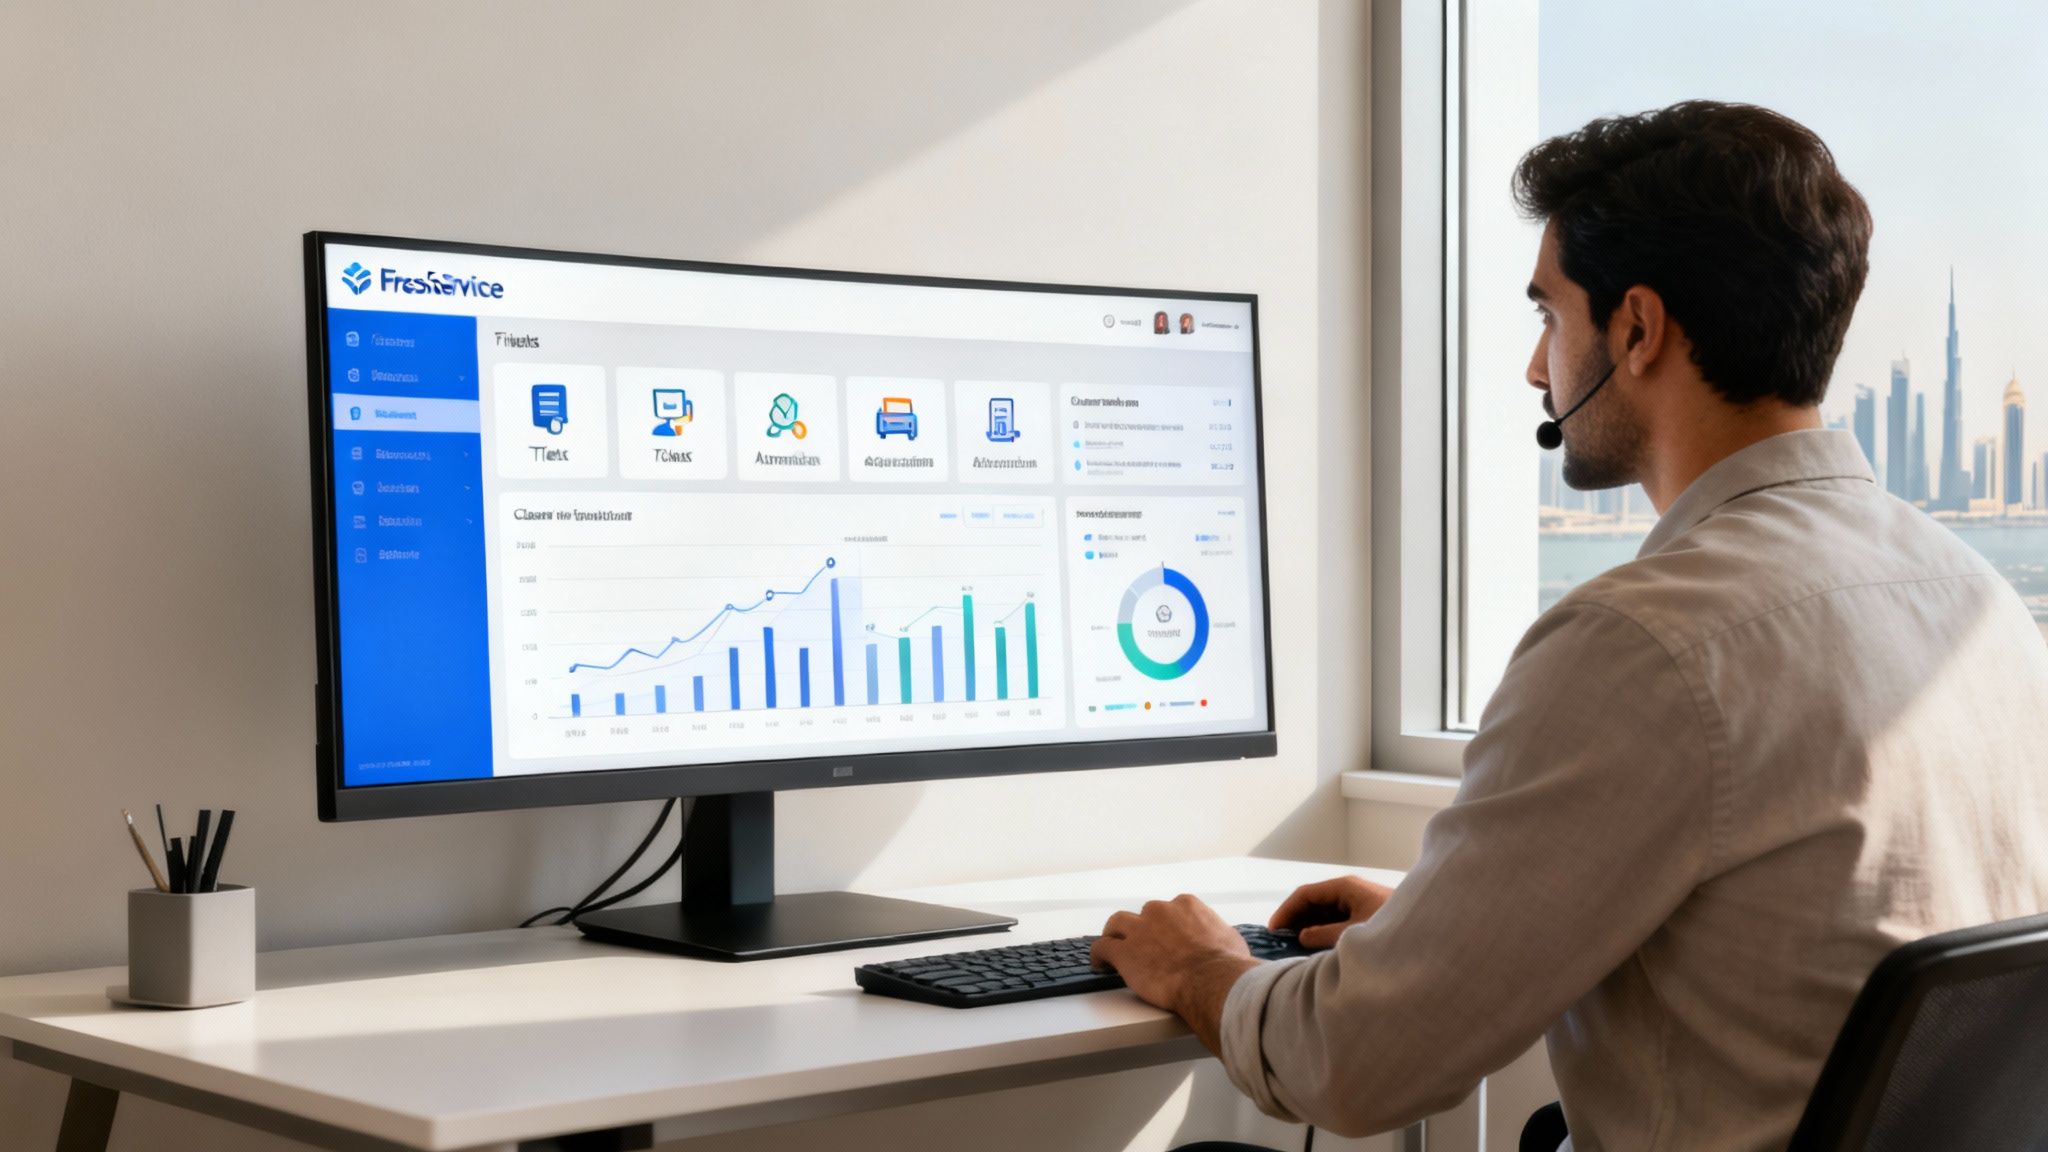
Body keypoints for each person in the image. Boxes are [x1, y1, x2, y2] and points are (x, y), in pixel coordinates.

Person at [1092, 100, 2048, 1150]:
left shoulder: (1645, 641)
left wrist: (1196, 969)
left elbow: (1350, 1067)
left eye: (1548, 316)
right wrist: (1444, 932)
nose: (1534, 369)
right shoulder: (1973, 602)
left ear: (1634, 329)